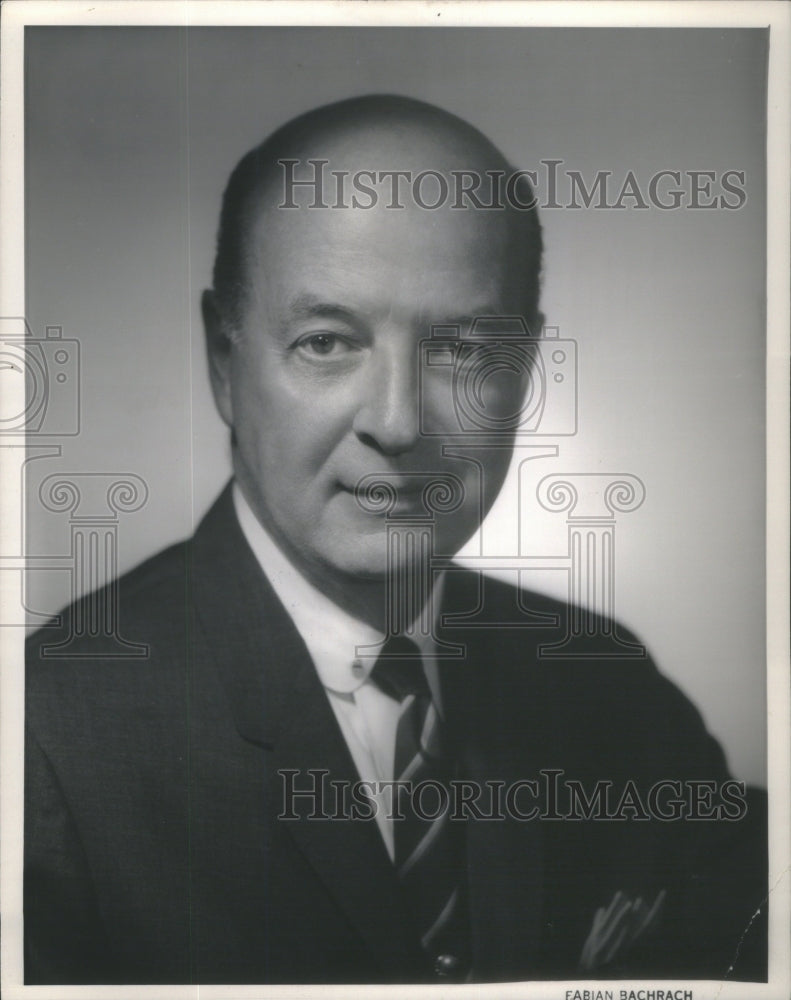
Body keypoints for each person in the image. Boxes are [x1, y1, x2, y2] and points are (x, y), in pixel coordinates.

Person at [24, 94, 766, 985]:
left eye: (461, 349)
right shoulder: (43, 747)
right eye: (327, 341)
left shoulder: (612, 690)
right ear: (224, 363)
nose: (397, 421)